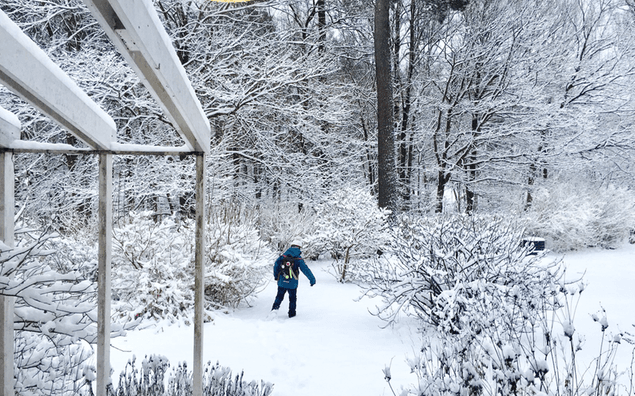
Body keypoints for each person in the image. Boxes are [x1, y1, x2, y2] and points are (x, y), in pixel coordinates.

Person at [271, 241, 316, 318]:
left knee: (279, 297)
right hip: (292, 283)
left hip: (282, 281)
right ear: (299, 248)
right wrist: (312, 279)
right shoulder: (298, 259)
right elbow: (305, 270)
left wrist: (276, 276)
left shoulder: (282, 257)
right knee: (292, 299)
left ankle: (273, 312)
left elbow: (276, 266)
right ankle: (292, 315)